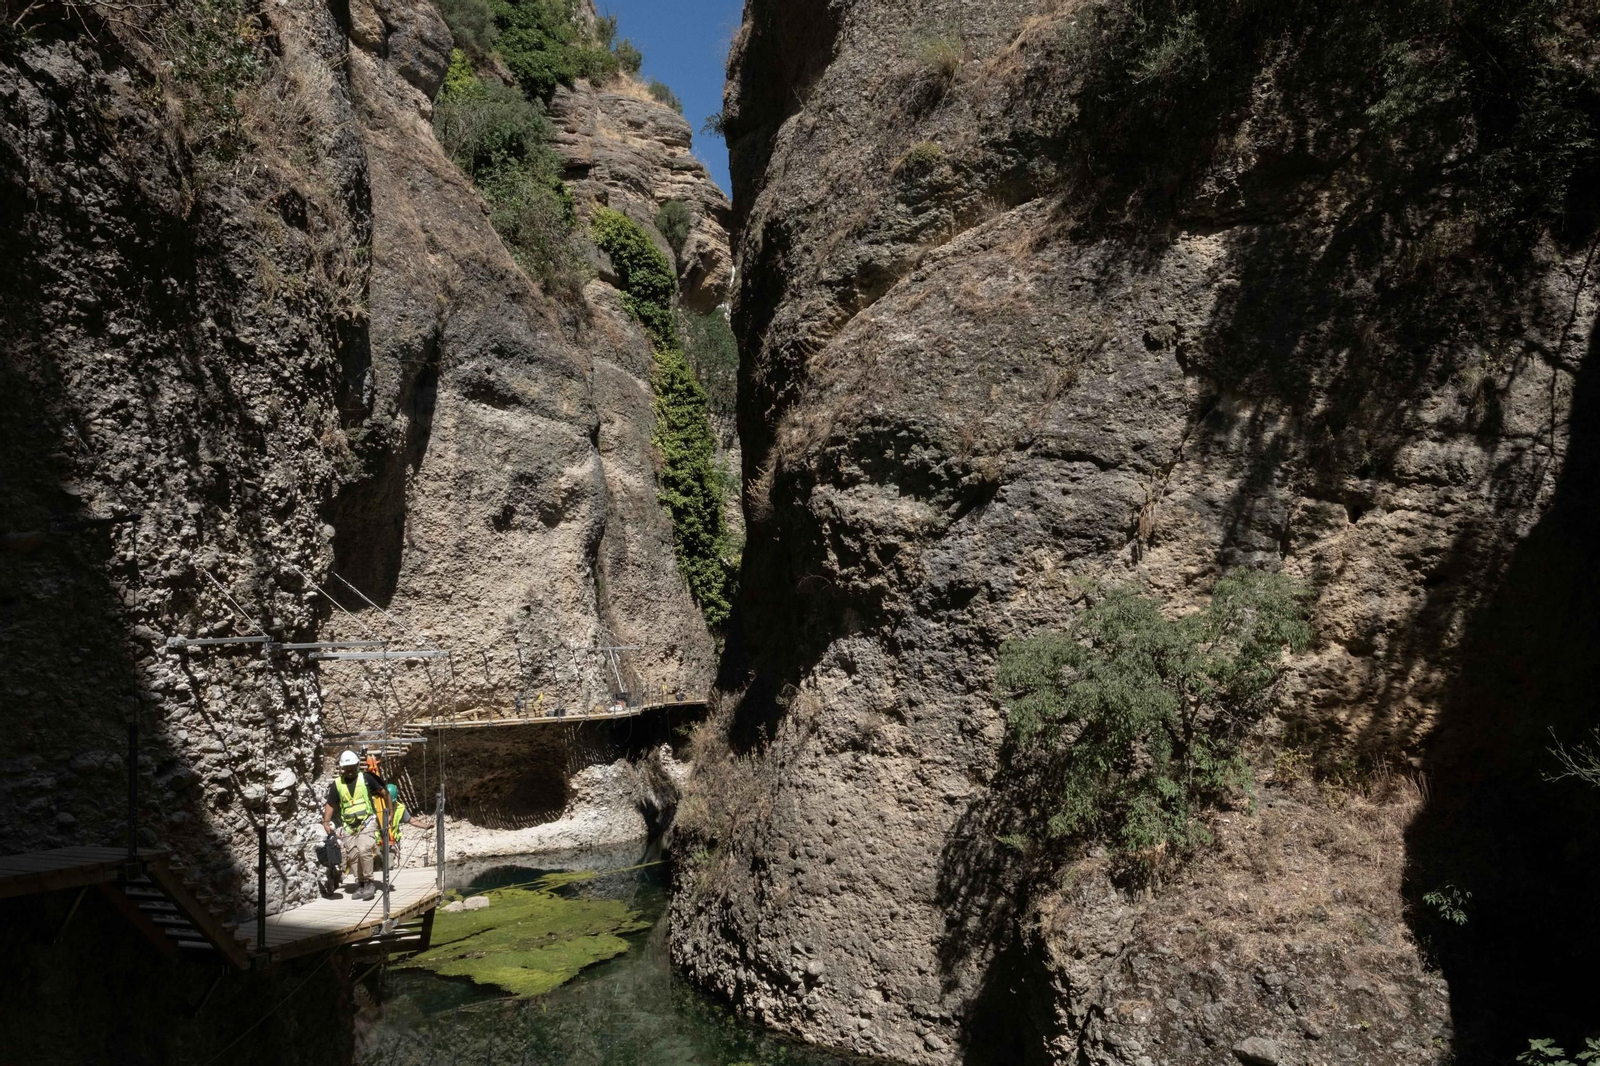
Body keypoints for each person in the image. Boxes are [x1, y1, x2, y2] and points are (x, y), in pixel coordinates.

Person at [322, 750, 387, 901]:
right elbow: (330, 804)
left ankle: (369, 882)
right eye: (347, 767)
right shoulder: (337, 784)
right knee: (353, 854)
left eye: (352, 766)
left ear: (358, 765)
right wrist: (326, 822)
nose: (350, 770)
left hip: (367, 822)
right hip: (349, 825)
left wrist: (388, 813)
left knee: (364, 849)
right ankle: (360, 884)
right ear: (342, 768)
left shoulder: (366, 778)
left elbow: (385, 793)